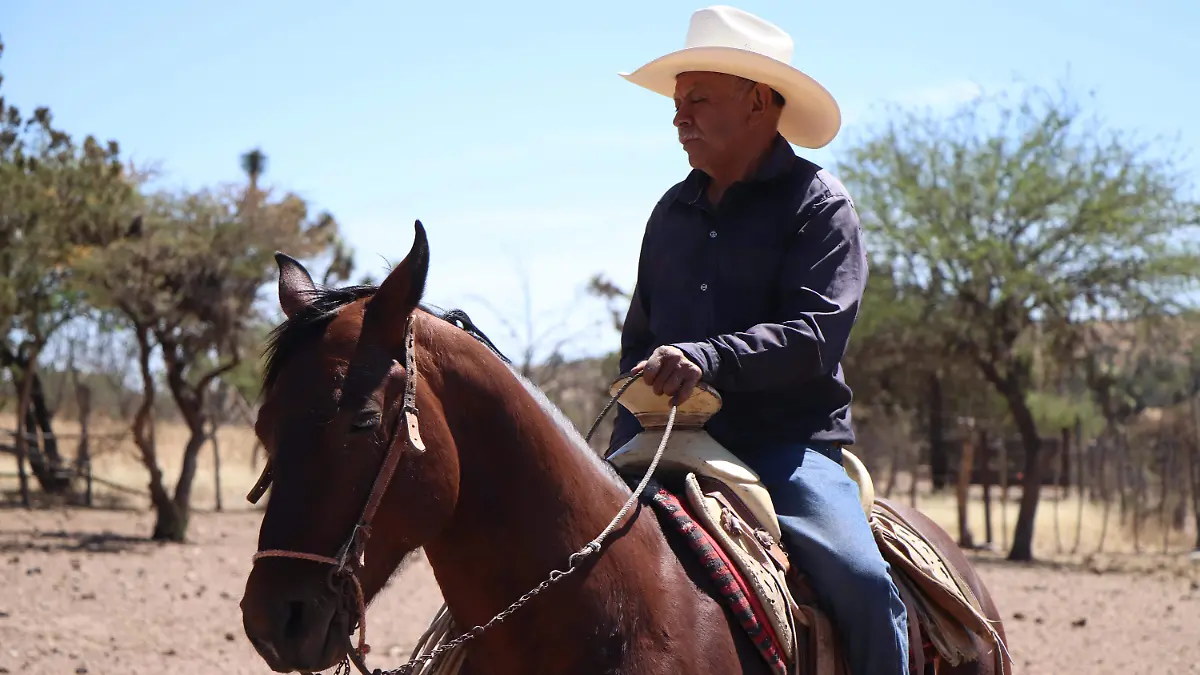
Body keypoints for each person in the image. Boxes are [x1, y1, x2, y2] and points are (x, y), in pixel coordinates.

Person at [607, 6, 909, 675]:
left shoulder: (819, 206)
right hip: (663, 442)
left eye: (699, 99)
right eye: (678, 102)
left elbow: (814, 337)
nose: (679, 117)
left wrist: (708, 359)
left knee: (863, 585)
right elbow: (639, 343)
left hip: (787, 447)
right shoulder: (669, 213)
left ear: (759, 102)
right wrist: (620, 435)